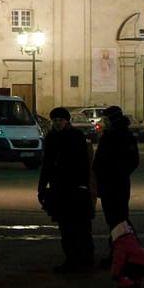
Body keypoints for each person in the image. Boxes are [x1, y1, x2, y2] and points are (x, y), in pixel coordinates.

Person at [39, 105, 96, 274]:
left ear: (67, 121)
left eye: (60, 120)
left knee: (80, 226)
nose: (57, 123)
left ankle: (85, 259)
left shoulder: (76, 137)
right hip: (60, 188)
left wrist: (84, 184)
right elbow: (46, 164)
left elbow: (83, 164)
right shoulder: (51, 138)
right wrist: (42, 187)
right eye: (55, 120)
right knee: (66, 227)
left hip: (75, 188)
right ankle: (72, 259)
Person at [92, 106, 139, 266]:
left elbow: (132, 161)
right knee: (115, 220)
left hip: (116, 185)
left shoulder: (123, 136)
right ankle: (122, 251)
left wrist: (115, 174)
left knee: (119, 220)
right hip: (109, 184)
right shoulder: (109, 135)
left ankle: (126, 251)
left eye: (106, 119)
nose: (103, 122)